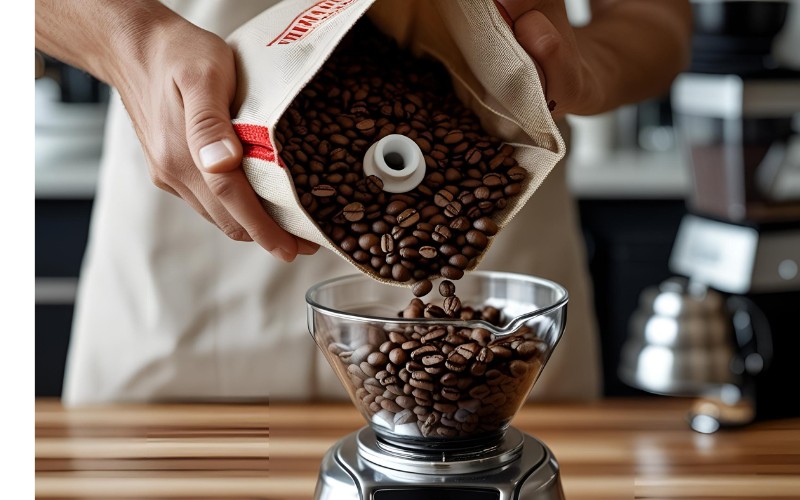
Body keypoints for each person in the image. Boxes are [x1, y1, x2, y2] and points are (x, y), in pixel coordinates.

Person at [35, 0, 691, 405]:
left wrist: (585, 65)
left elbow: (657, 16)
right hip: (191, 244)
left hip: (492, 233)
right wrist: (131, 39)